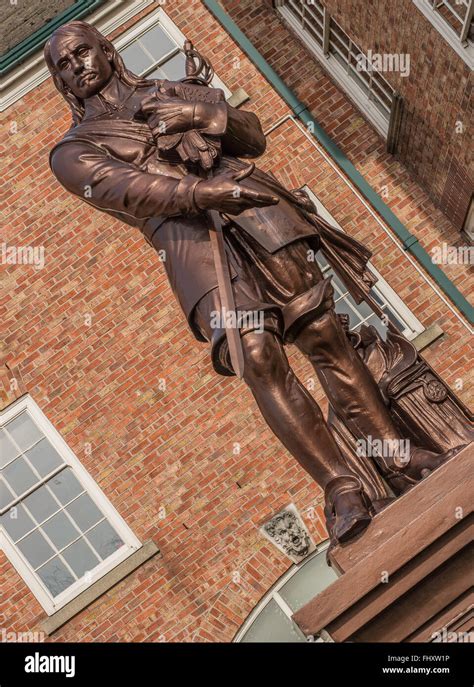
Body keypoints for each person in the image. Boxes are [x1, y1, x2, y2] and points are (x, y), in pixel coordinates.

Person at [45, 21, 451, 544]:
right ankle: (341, 486)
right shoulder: (72, 149)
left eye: (80, 52)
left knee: (322, 334)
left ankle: (396, 456)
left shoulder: (171, 90)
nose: (75, 66)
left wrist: (199, 113)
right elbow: (124, 189)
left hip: (259, 213)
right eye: (62, 65)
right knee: (256, 353)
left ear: (105, 49)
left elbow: (252, 136)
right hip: (192, 246)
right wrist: (201, 195)